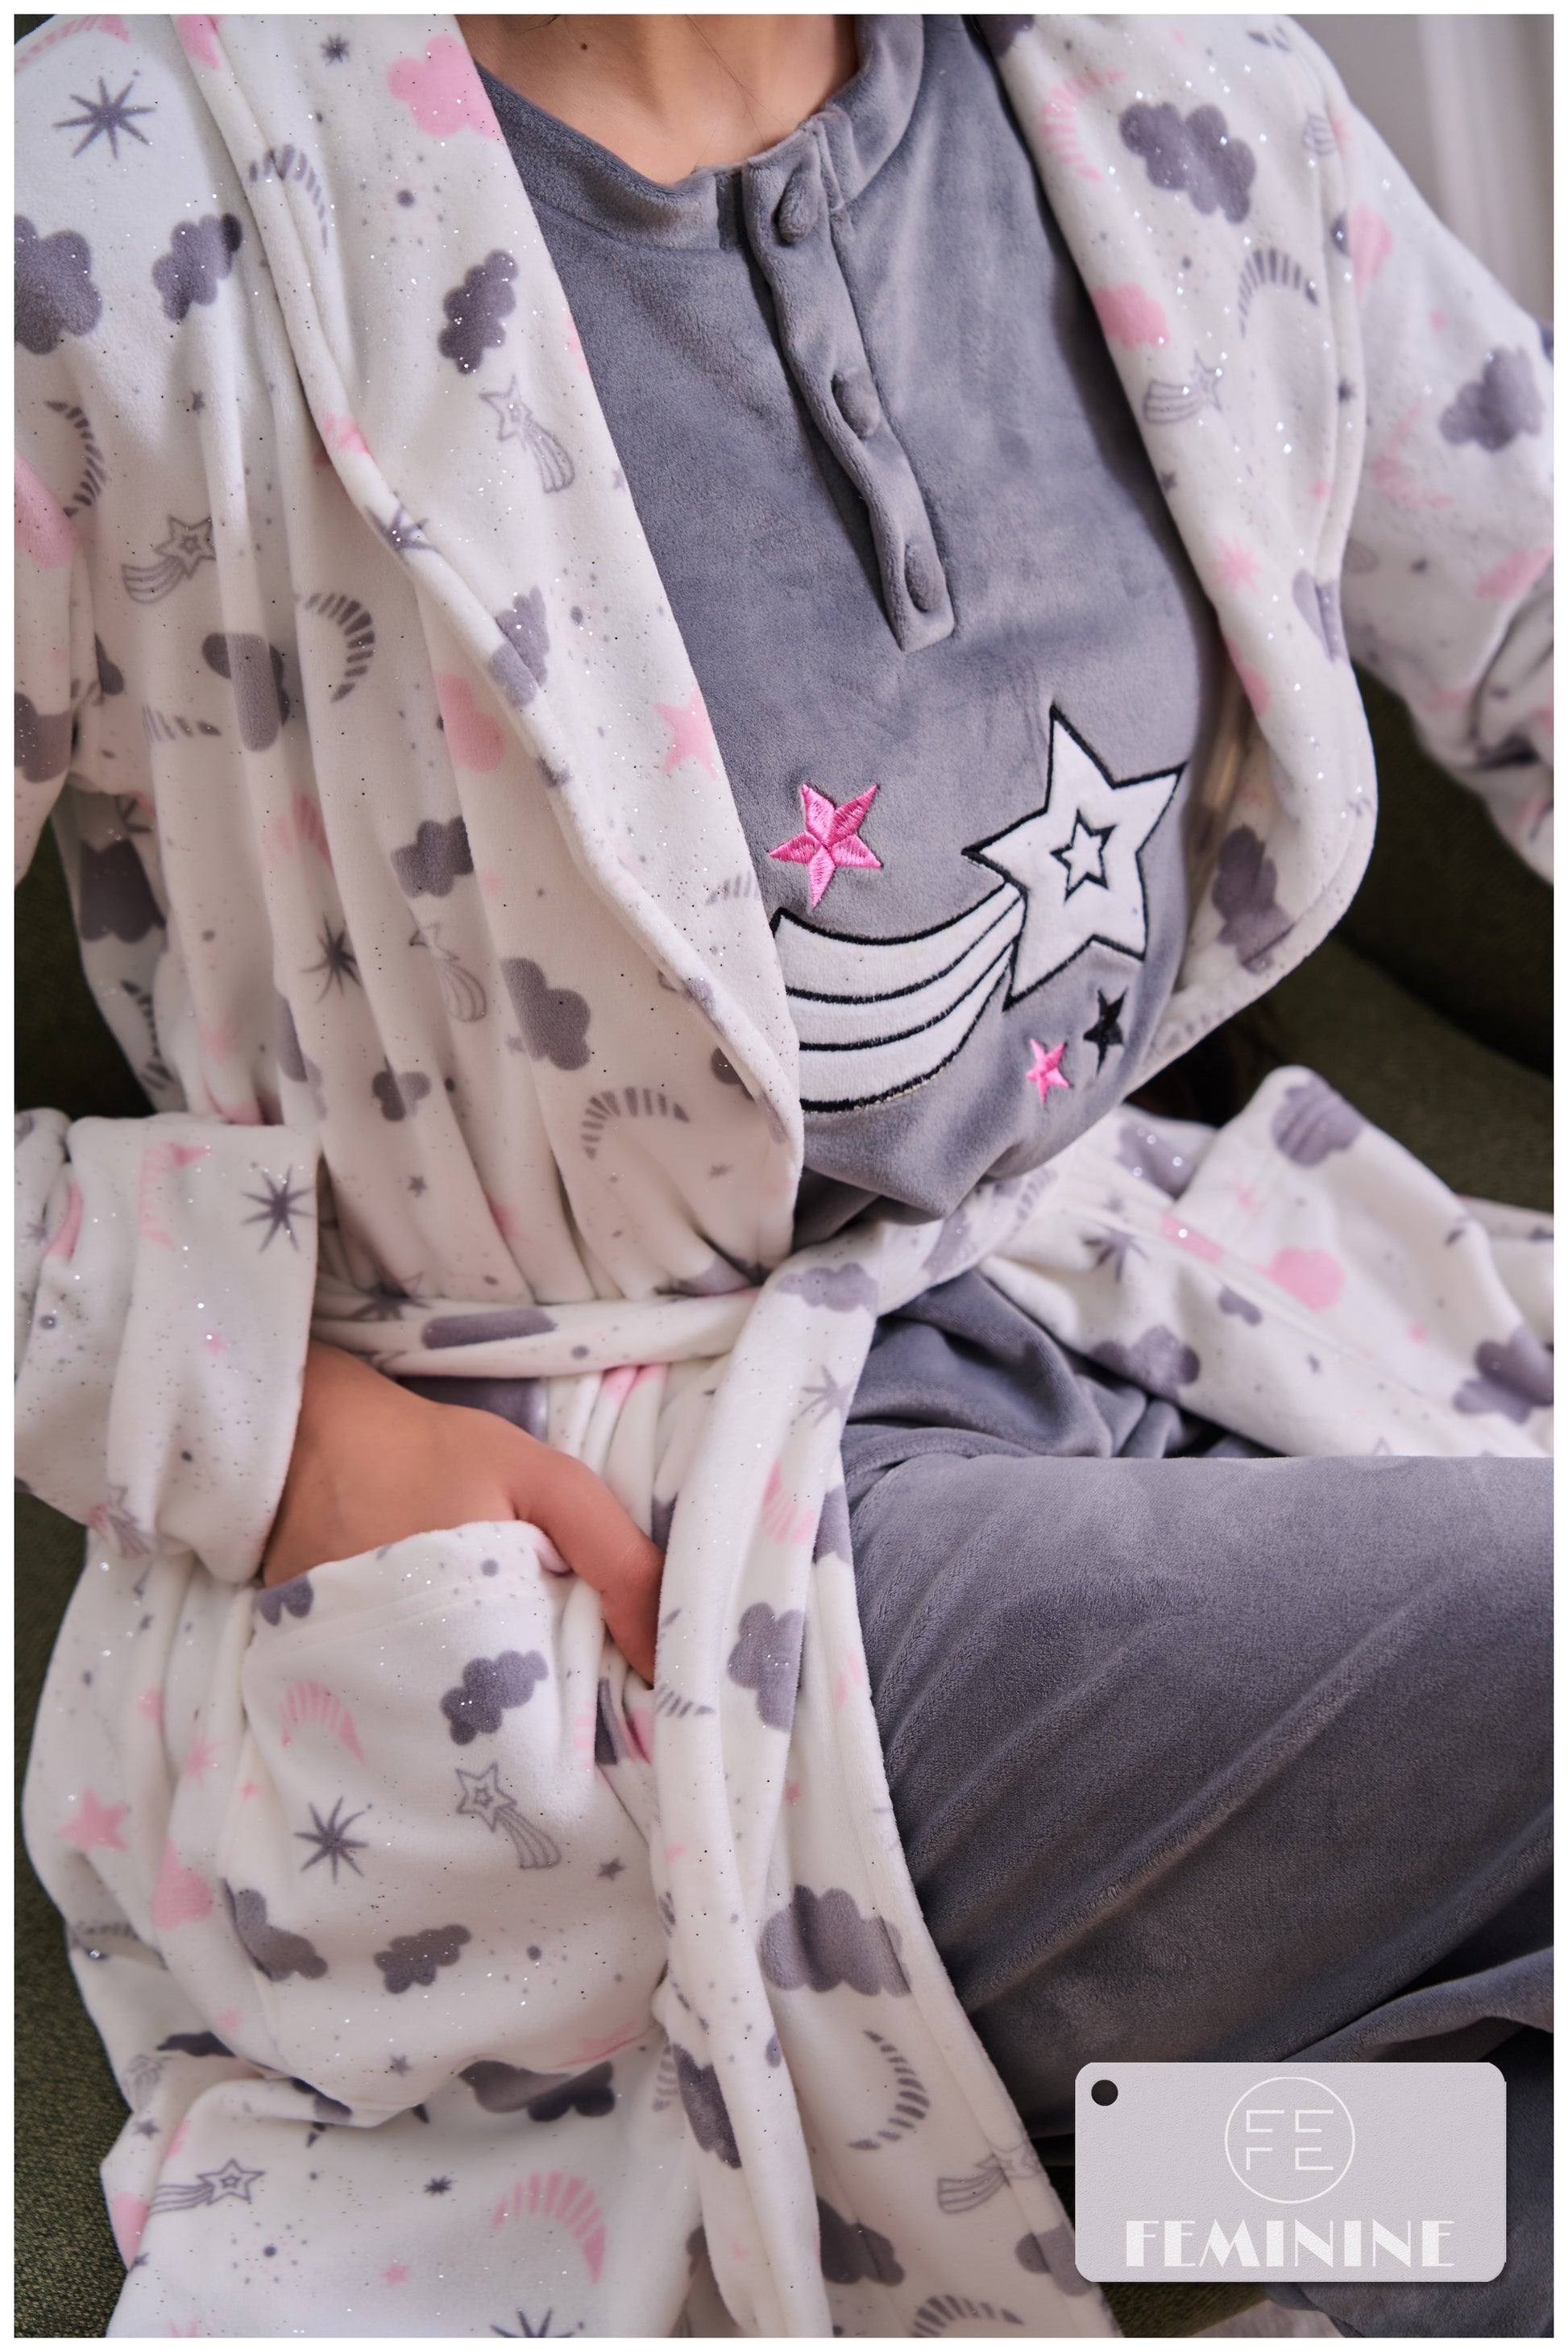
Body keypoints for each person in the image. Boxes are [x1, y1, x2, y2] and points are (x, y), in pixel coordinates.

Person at [16, 14, 1551, 2338]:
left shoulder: (1177, 91)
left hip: (1124, 1339)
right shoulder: (101, 216)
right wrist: (254, 1410)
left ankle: (1068, 2195)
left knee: (1521, 2171)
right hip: (625, 1568)